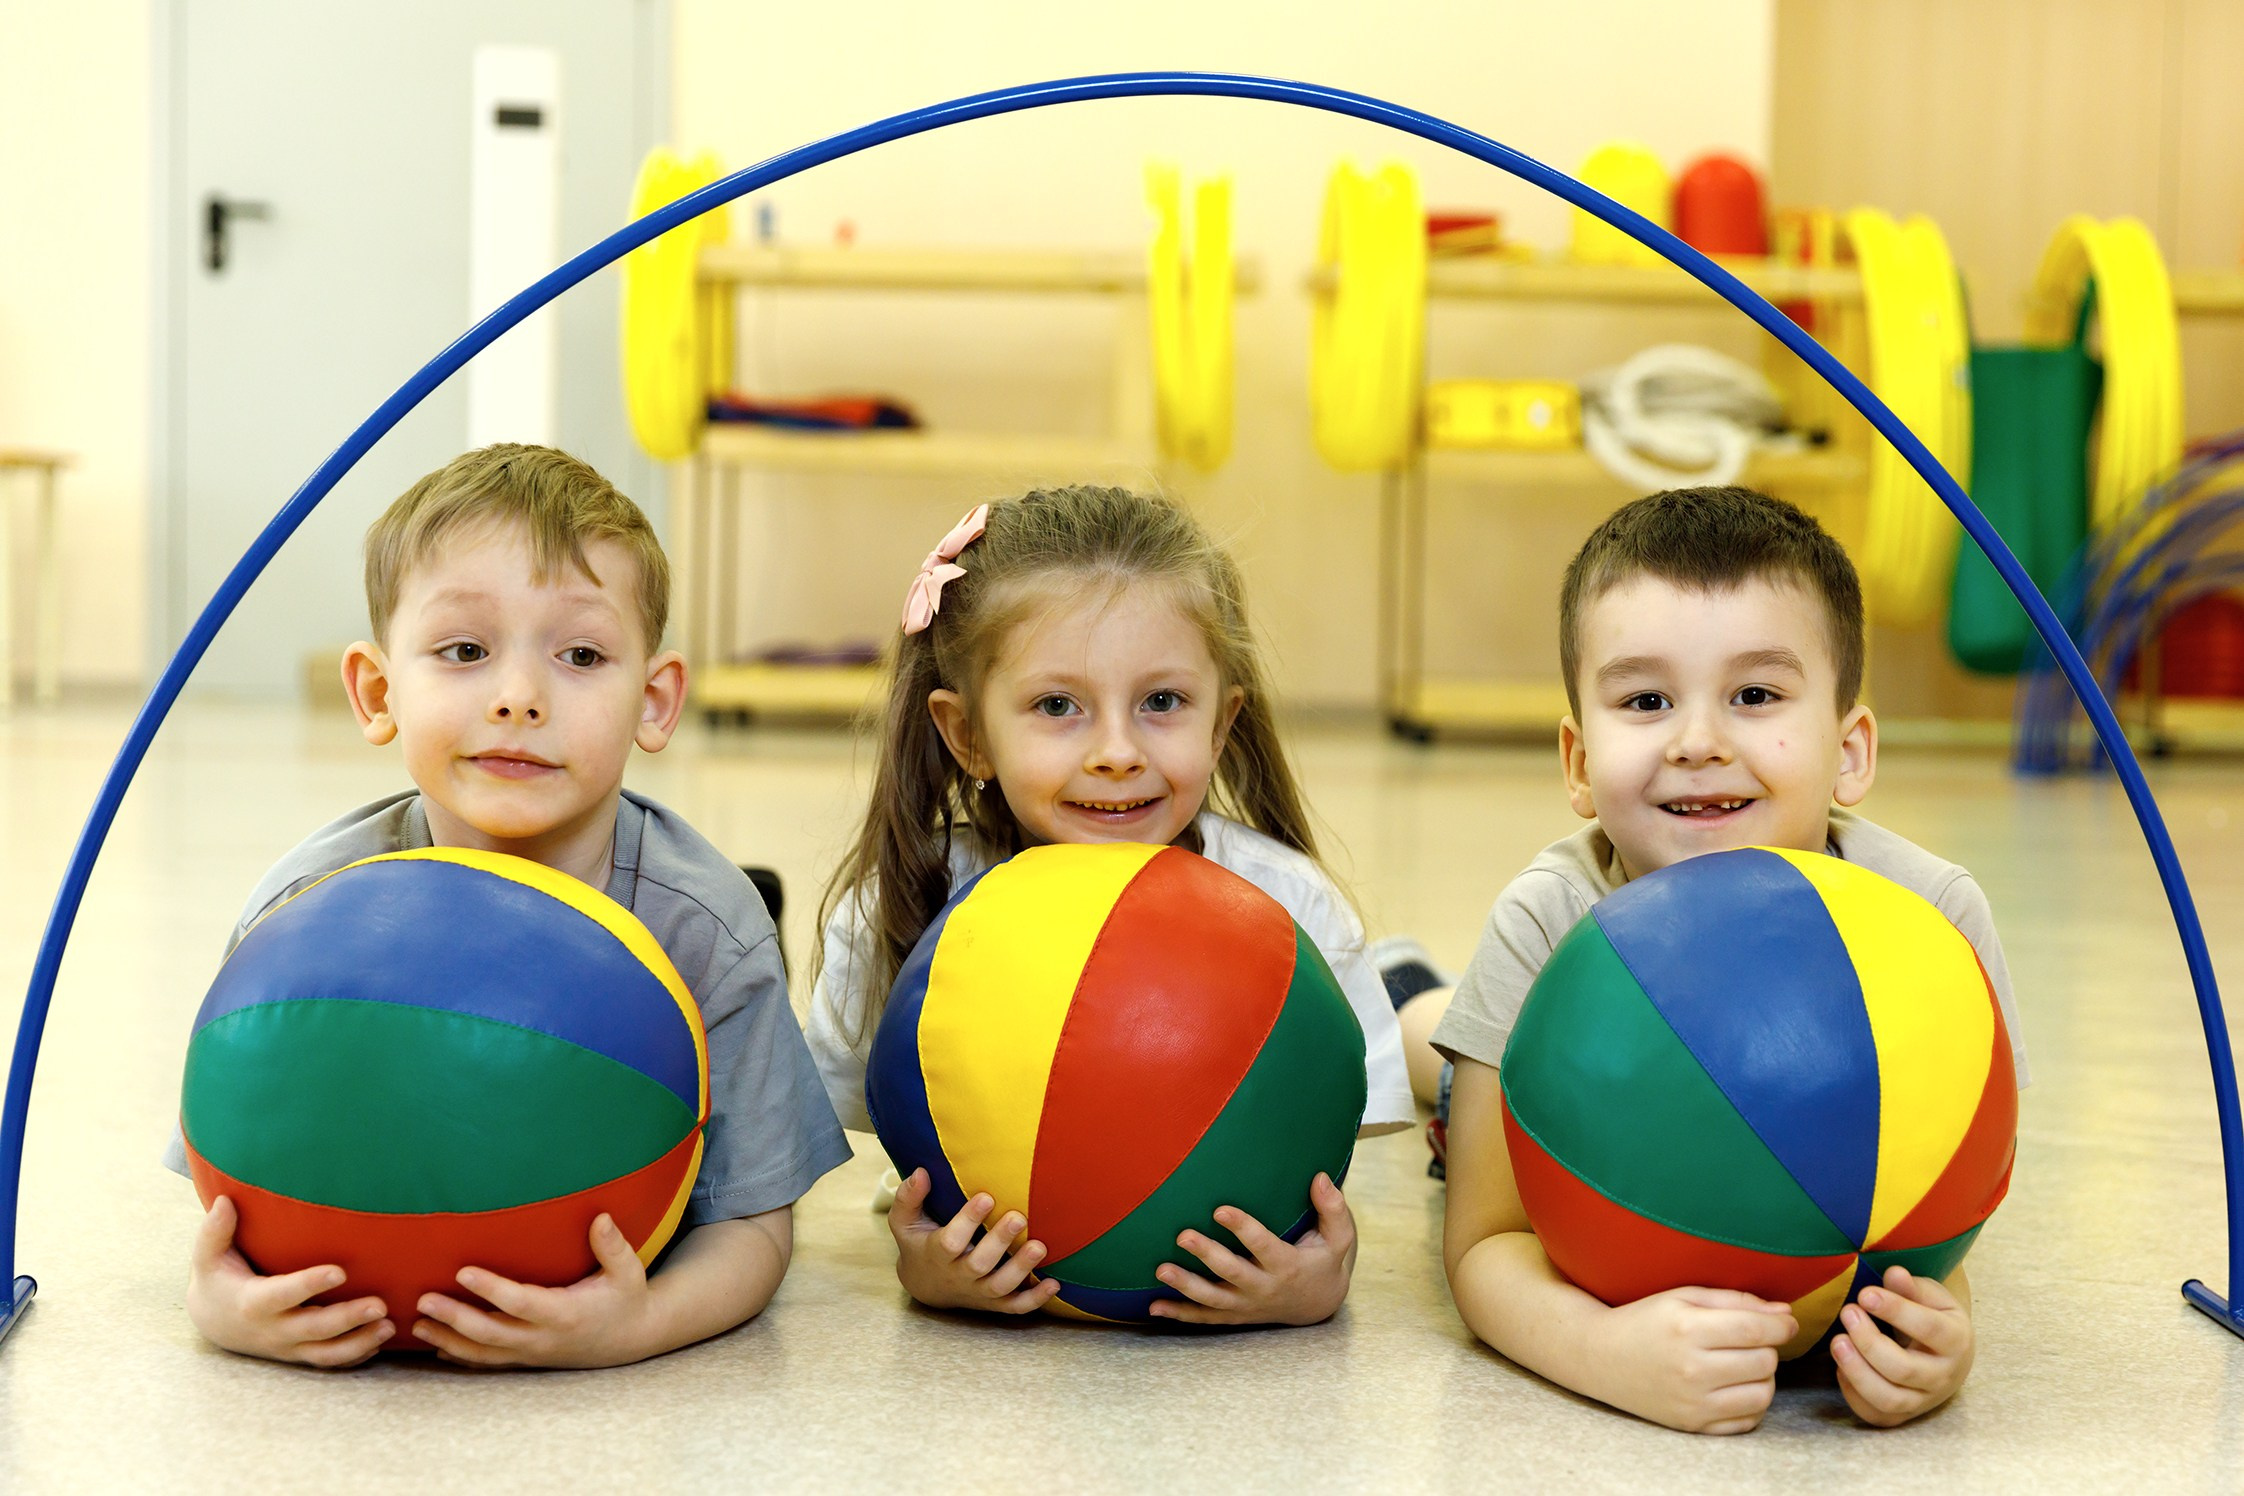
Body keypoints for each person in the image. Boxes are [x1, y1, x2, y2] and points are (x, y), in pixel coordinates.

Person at [174, 444, 850, 1368]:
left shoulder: (711, 930)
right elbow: (226, 1188)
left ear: (654, 702)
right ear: (377, 692)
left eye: (581, 655)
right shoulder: (299, 915)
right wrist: (218, 1303)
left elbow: (755, 1229)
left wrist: (640, 1325)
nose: (519, 698)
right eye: (465, 651)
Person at [1435, 486, 2030, 1433]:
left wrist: (1938, 1332)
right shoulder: (1549, 917)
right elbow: (1486, 1243)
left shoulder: (1932, 914)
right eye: (1646, 700)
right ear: (1579, 764)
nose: (1699, 742)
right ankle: (1419, 999)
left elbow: (1938, 1205)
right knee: (1434, 1046)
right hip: (1572, 1124)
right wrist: (1602, 1352)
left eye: (1755, 696)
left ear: (1850, 751)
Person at [807, 485, 1414, 1326]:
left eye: (1162, 702)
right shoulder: (904, 905)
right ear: (967, 734)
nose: (1118, 753)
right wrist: (924, 1266)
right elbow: (860, 1133)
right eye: (1057, 706)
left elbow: (1334, 1153)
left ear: (1221, 723)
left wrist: (1315, 1281)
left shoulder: (1287, 907)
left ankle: (1412, 985)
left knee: (1430, 1040)